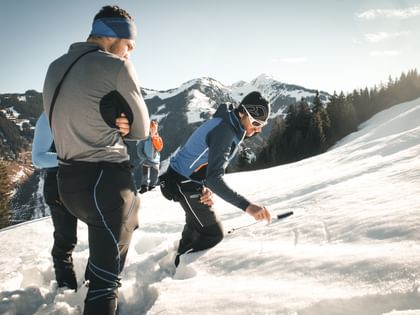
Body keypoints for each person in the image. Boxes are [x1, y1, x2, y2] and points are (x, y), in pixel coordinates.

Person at [42, 5, 149, 315]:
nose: (129, 53)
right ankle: (98, 288)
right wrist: (122, 120)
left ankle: (94, 281)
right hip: (107, 186)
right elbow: (140, 131)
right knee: (106, 282)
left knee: (103, 260)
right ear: (116, 36)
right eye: (130, 45)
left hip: (67, 184)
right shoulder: (116, 66)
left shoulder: (53, 66)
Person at [159, 91, 272, 266]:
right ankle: (180, 264)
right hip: (183, 182)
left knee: (197, 223)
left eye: (263, 124)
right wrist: (247, 206)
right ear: (242, 113)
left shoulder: (231, 125)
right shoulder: (225, 131)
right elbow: (214, 177)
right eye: (256, 123)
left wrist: (206, 186)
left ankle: (179, 256)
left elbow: (207, 166)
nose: (258, 129)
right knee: (212, 233)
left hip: (189, 180)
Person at [31, 112, 130, 291]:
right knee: (66, 239)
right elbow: (38, 158)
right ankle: (66, 288)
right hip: (59, 184)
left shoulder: (88, 108)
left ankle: (92, 285)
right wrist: (78, 157)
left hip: (93, 181)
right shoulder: (50, 114)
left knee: (103, 233)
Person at [137, 119, 163, 193]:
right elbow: (139, 149)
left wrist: (154, 138)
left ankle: (152, 186)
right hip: (146, 160)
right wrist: (143, 158)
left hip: (155, 161)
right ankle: (144, 186)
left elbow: (159, 148)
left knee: (155, 174)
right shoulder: (144, 139)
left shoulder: (158, 139)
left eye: (154, 129)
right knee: (145, 174)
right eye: (151, 129)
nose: (152, 130)